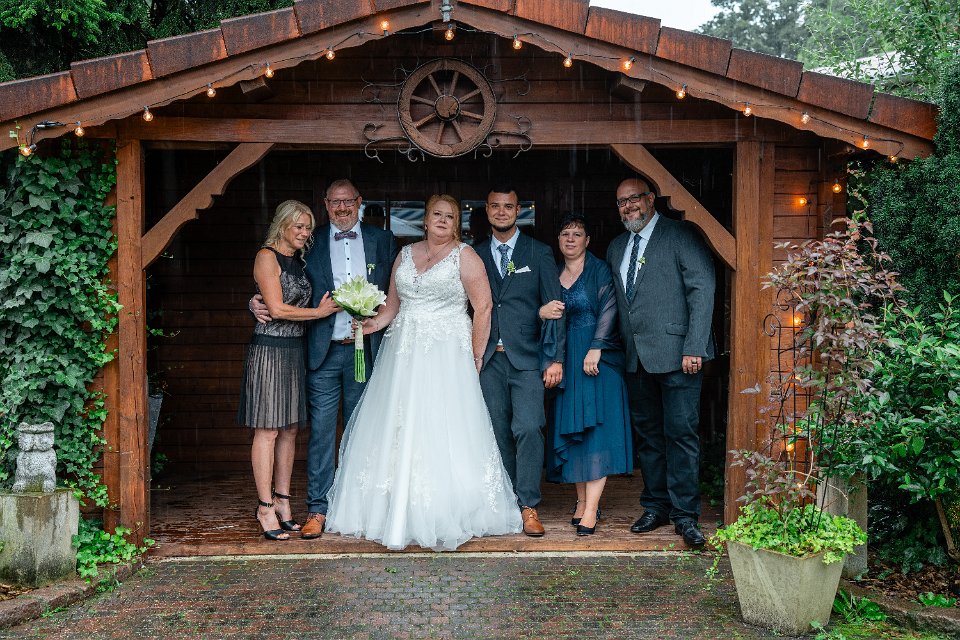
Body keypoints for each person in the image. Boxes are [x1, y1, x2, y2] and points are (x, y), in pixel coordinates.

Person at [324, 194, 522, 550]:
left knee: (443, 424)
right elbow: (392, 307)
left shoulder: (466, 256)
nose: (443, 220)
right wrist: (370, 325)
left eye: (450, 216)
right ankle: (396, 508)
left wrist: (476, 354)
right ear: (426, 220)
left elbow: (483, 307)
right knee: (399, 423)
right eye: (437, 214)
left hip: (448, 353)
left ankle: (449, 508)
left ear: (456, 224)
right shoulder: (404, 254)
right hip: (403, 352)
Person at [251, 179, 396, 539]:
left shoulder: (383, 240)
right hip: (322, 352)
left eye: (348, 201)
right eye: (335, 202)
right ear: (326, 204)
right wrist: (254, 301)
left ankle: (363, 507)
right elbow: (282, 282)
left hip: (366, 351)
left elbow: (400, 290)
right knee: (320, 433)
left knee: (363, 430)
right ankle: (318, 508)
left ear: (359, 202)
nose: (342, 208)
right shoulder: (309, 242)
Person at [605, 177, 715, 549]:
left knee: (681, 435)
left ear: (651, 199)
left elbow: (702, 288)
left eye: (634, 198)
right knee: (649, 438)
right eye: (621, 201)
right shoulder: (617, 246)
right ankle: (656, 506)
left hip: (680, 355)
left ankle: (685, 515)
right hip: (635, 358)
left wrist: (695, 346)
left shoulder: (681, 234)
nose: (628, 206)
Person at [476, 184, 565, 537]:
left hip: (527, 359)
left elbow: (555, 308)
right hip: (488, 361)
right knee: (496, 432)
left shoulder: (539, 252)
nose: (502, 212)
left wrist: (554, 358)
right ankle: (505, 503)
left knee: (528, 427)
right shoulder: (473, 254)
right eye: (495, 206)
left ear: (518, 210)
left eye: (508, 206)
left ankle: (528, 504)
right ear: (487, 209)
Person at [539, 213, 633, 536]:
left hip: (596, 360)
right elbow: (544, 313)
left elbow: (610, 307)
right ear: (558, 240)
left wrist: (596, 346)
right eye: (565, 233)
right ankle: (580, 501)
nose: (570, 239)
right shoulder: (553, 274)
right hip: (567, 359)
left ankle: (592, 509)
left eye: (577, 234)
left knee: (597, 434)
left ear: (587, 240)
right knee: (575, 433)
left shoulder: (599, 269)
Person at [239, 200, 320, 540]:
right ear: (283, 225)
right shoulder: (266, 256)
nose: (304, 232)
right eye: (299, 226)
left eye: (308, 227)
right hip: (269, 350)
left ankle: (284, 502)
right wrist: (320, 313)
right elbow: (275, 308)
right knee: (268, 430)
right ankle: (264, 506)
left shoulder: (301, 260)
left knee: (289, 430)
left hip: (294, 350)